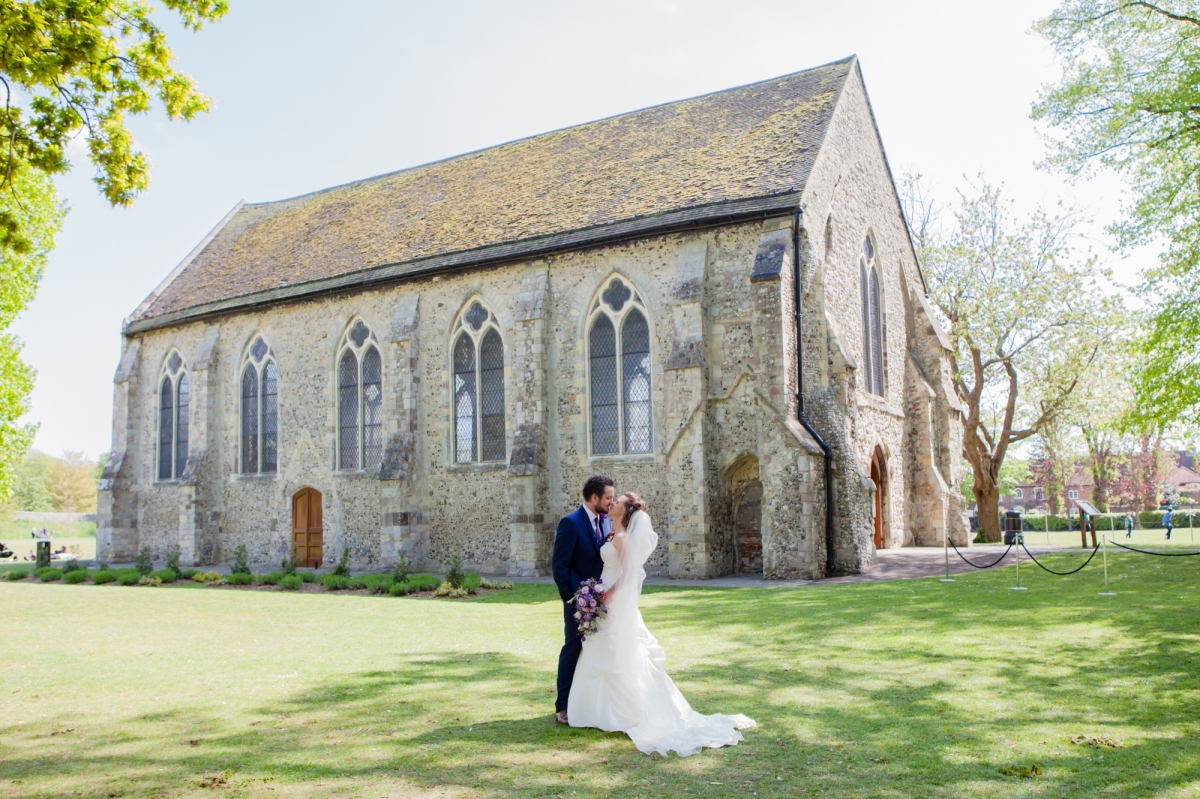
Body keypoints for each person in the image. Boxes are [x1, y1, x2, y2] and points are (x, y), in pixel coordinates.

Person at [568, 491, 756, 756]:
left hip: (612, 598)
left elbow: (627, 575)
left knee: (616, 651)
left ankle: (620, 712)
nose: (612, 504)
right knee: (605, 650)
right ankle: (600, 713)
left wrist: (604, 595)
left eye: (617, 502)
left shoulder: (621, 538)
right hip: (605, 596)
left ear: (626, 511)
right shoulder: (615, 533)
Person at [551, 474, 614, 726]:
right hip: (578, 603)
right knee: (573, 648)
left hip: (601, 603)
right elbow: (559, 566)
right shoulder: (570, 523)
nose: (611, 502)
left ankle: (589, 704)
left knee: (596, 652)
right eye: (608, 497)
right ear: (594, 497)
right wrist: (572, 600)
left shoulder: (607, 522)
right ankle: (563, 706)